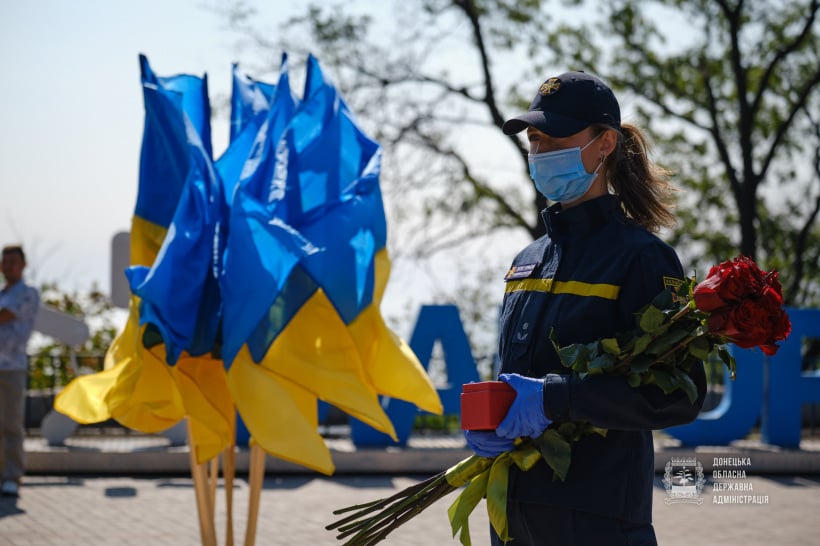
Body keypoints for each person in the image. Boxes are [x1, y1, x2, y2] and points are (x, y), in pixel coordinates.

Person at [464, 72, 707, 545]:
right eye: (535, 138)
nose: (540, 150)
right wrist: (492, 420)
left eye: (556, 137)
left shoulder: (643, 258)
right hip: (513, 519)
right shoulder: (525, 261)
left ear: (604, 144)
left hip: (596, 522)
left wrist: (554, 399)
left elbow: (682, 394)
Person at [0, 245, 40, 498]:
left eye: (13, 262)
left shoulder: (27, 293)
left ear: (23, 265)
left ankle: (12, 476)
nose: (8, 266)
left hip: (12, 368)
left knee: (11, 424)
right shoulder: (2, 293)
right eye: (5, 262)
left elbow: (5, 315)